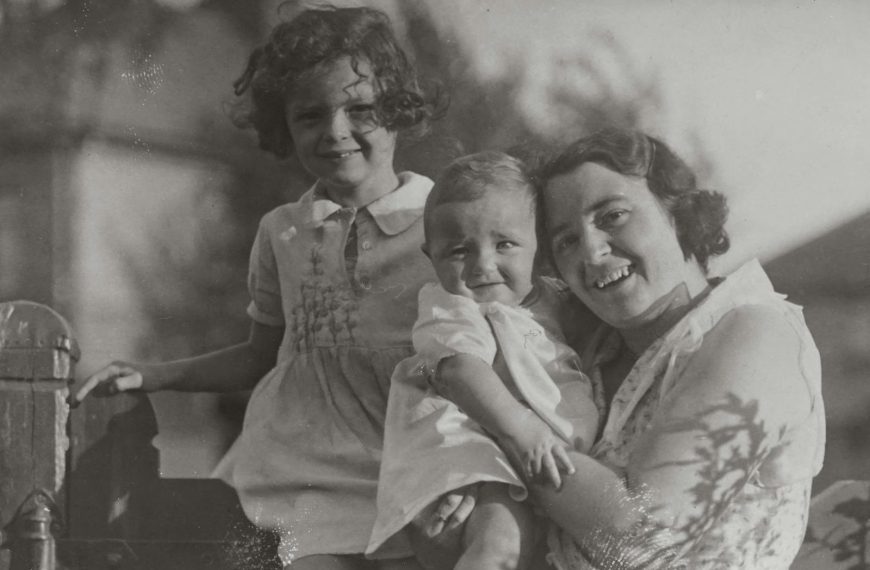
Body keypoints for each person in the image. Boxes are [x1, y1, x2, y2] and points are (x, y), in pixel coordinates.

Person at [73, 5, 450, 569]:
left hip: (416, 466)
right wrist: (156, 374)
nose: (336, 131)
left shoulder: (444, 222)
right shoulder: (284, 232)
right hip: (308, 476)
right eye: (310, 115)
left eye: (360, 109)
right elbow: (262, 354)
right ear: (284, 127)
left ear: (396, 110)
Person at [516, 127, 824, 569]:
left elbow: (643, 541)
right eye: (566, 241)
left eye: (612, 216)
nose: (591, 251)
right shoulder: (585, 352)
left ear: (679, 213)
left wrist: (507, 428)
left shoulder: (753, 332)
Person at [366, 151, 601, 570]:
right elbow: (461, 371)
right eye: (459, 251)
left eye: (505, 244)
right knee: (500, 546)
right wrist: (523, 430)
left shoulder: (553, 299)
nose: (483, 266)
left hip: (528, 459)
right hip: (475, 456)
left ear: (539, 245)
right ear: (431, 256)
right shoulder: (454, 307)